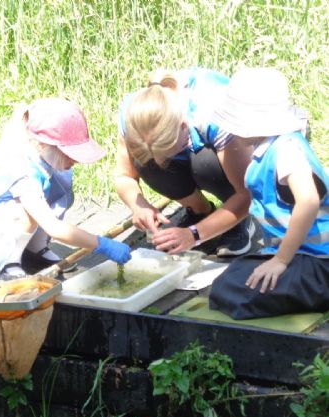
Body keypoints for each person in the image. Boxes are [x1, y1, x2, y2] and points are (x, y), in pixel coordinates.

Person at [0, 97, 131, 281]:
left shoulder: (42, 161)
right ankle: (5, 264)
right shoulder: (21, 171)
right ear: (42, 143)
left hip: (4, 229)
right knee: (23, 213)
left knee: (60, 186)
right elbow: (54, 227)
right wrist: (101, 244)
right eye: (68, 153)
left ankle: (34, 251)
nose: (75, 160)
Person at [209, 67, 329, 319]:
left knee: (235, 292)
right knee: (233, 280)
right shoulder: (271, 147)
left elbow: (307, 201)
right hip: (301, 254)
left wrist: (281, 260)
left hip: (319, 262)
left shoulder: (287, 149)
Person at [115, 67, 254, 256]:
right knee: (145, 164)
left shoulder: (214, 112)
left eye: (167, 151)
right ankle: (201, 212)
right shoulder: (134, 115)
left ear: (183, 126)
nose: (160, 161)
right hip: (195, 143)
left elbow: (248, 192)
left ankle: (237, 221)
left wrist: (194, 235)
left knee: (204, 163)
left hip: (241, 152)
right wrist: (139, 205)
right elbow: (124, 176)